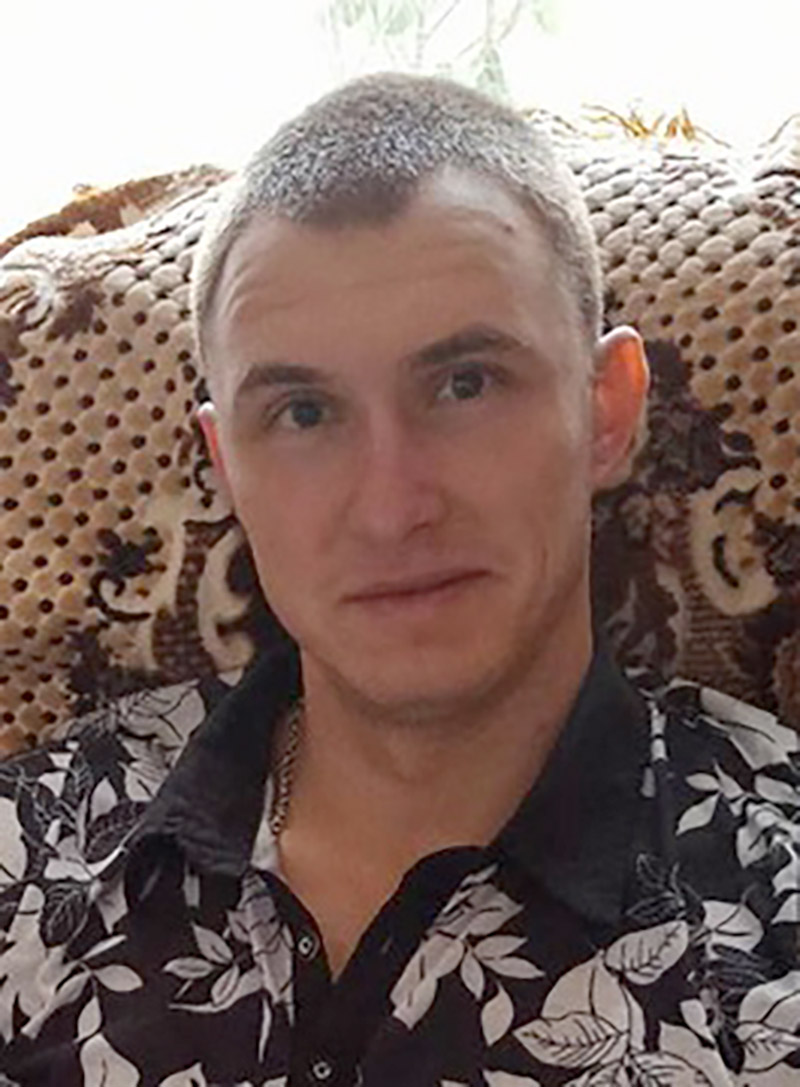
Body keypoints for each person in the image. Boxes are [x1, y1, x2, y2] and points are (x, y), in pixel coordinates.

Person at [0, 72, 798, 1087]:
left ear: (606, 409)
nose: (390, 507)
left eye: (465, 384)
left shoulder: (773, 912)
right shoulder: (30, 848)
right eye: (302, 413)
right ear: (225, 462)